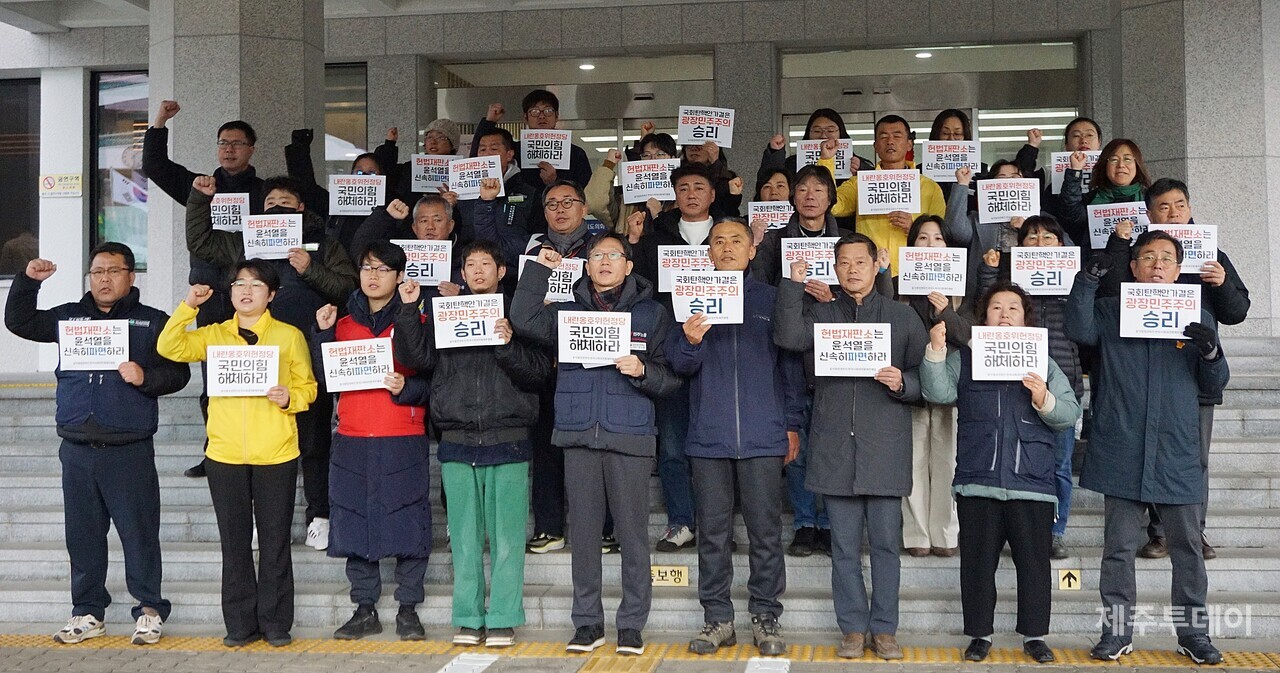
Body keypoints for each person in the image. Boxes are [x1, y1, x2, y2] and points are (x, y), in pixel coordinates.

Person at [4, 243, 191, 646]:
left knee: (139, 532)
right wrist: (28, 282)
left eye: (113, 271)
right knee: (83, 535)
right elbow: (19, 322)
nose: (104, 279)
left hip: (129, 447)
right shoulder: (69, 317)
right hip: (77, 446)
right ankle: (87, 612)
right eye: (97, 272)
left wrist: (146, 377)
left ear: (131, 276)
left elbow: (179, 374)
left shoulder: (152, 322)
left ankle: (149, 609)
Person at [510, 233, 680, 656]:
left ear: (628, 265)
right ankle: (587, 623)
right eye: (597, 255)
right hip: (578, 432)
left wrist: (642, 370)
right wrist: (539, 269)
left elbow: (671, 377)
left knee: (633, 536)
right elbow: (523, 316)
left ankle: (631, 624)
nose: (604, 261)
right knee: (583, 536)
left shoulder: (652, 314)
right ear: (586, 266)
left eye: (613, 255)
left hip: (631, 434)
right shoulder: (566, 310)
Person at [1065, 231, 1229, 665]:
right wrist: (1087, 280)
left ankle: (1194, 635)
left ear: (1179, 271)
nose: (1157, 264)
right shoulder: (1111, 309)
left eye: (1167, 259)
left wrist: (1211, 354)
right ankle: (1116, 634)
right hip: (1123, 445)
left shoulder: (1197, 318)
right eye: (1148, 257)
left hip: (1175, 449)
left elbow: (1215, 386)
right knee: (1118, 548)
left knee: (1188, 550)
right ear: (1134, 267)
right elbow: (1078, 329)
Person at [773, 233, 927, 660]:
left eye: (861, 261)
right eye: (844, 262)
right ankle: (853, 629)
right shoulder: (822, 315)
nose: (853, 269)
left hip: (885, 447)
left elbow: (925, 378)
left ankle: (885, 629)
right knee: (842, 548)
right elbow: (787, 337)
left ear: (877, 265)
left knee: (884, 547)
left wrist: (905, 383)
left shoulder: (902, 316)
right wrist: (792, 284)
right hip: (836, 445)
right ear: (835, 269)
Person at [185, 174, 358, 552]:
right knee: (256, 441)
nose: (277, 206)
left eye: (286, 200)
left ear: (300, 208)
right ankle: (261, 522)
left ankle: (319, 516)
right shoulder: (245, 242)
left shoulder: (322, 244)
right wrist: (199, 201)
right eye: (270, 201)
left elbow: (348, 288)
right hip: (253, 359)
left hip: (305, 352)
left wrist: (309, 267)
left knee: (313, 440)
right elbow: (200, 242)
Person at [393, 239, 553, 648]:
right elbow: (417, 358)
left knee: (508, 538)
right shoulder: (446, 313)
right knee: (463, 537)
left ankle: (501, 616)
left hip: (510, 436)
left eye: (486, 263)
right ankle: (467, 616)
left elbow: (539, 374)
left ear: (502, 271)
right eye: (470, 265)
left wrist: (508, 345)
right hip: (457, 438)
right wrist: (410, 308)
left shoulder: (519, 315)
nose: (478, 270)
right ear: (461, 273)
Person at [157, 259, 318, 648]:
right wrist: (188, 306)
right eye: (239, 284)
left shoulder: (288, 335)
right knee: (234, 541)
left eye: (257, 285)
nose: (247, 291)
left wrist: (289, 397)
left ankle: (276, 622)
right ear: (229, 294)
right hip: (225, 453)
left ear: (272, 295)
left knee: (275, 540)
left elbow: (309, 388)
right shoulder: (213, 335)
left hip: (275, 453)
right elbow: (169, 345)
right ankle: (240, 624)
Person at [921, 281, 1081, 664]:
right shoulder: (967, 357)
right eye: (996, 308)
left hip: (1033, 483)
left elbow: (1069, 413)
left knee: (1034, 566)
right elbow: (939, 393)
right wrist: (937, 351)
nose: (1005, 314)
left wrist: (1044, 398)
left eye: (1013, 308)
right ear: (983, 317)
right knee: (976, 566)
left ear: (1027, 319)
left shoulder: (1044, 362)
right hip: (979, 479)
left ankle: (1034, 636)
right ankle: (980, 635)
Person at [671, 217, 805, 657]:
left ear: (752, 251)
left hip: (764, 435)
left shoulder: (771, 299)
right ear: (707, 252)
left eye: (736, 241)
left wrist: (791, 425)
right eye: (718, 242)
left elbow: (790, 369)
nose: (726, 248)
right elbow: (678, 367)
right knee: (712, 533)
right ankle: (718, 619)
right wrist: (689, 341)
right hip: (708, 435)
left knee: (765, 532)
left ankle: (766, 616)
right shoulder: (690, 298)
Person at [1098, 179, 1250, 561]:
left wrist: (1223, 282)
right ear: (1149, 214)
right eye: (1163, 207)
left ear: (1189, 207)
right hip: (1143, 373)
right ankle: (1159, 531)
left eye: (1179, 205)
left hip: (1194, 372)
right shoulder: (1144, 255)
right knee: (1146, 449)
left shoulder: (1210, 253)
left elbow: (1237, 312)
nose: (1173, 212)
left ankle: (1192, 531)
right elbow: (1111, 297)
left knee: (1194, 456)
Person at [473, 177, 601, 554]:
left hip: (587, 358)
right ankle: (549, 527)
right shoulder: (529, 246)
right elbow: (518, 298)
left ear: (583, 208)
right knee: (545, 446)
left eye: (568, 202)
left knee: (589, 447)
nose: (560, 210)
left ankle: (600, 529)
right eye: (552, 204)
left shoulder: (600, 247)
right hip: (539, 359)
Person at [312, 241, 433, 642]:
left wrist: (407, 388)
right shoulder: (342, 323)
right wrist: (323, 335)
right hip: (352, 436)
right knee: (352, 518)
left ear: (399, 277)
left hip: (402, 433)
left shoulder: (414, 318)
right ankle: (364, 608)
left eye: (383, 269)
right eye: (367, 268)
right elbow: (326, 380)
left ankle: (408, 609)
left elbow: (429, 373)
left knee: (410, 519)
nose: (373, 275)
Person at [143, 99, 263, 479]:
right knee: (215, 374)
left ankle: (261, 447)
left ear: (251, 149)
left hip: (255, 292)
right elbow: (155, 167)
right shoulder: (200, 184)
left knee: (261, 368)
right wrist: (160, 122)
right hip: (211, 293)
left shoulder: (266, 191)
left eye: (237, 143)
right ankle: (215, 452)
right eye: (223, 143)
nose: (229, 149)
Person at [749, 164, 846, 556]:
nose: (809, 195)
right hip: (789, 353)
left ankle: (831, 522)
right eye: (802, 188)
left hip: (834, 356)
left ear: (830, 198)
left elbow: (861, 296)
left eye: (818, 189)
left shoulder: (847, 241)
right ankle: (806, 522)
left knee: (834, 445)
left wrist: (833, 301)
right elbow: (758, 291)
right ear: (793, 197)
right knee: (798, 443)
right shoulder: (774, 242)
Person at [975, 216, 1085, 561]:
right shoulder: (1011, 285)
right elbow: (986, 311)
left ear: (1061, 244)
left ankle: (1055, 531)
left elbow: (1085, 325)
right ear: (1020, 248)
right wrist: (990, 273)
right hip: (1011, 378)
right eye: (1031, 237)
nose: (1039, 242)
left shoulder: (1075, 281)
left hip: (1062, 377)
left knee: (1060, 465)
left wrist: (1076, 284)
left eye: (1048, 237)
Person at [627, 162, 723, 553]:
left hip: (719, 354)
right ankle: (681, 521)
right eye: (683, 188)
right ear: (674, 194)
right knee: (671, 445)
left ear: (712, 194)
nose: (692, 194)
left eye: (699, 186)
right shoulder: (655, 239)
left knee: (716, 444)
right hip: (669, 353)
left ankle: (718, 524)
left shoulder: (727, 236)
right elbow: (641, 291)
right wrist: (634, 244)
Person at [900, 214, 972, 558]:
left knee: (947, 461)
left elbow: (970, 338)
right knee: (912, 460)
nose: (930, 245)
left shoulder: (961, 289)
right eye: (923, 238)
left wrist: (946, 311)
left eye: (938, 239)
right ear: (912, 244)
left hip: (949, 387)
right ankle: (916, 534)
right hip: (909, 385)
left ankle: (945, 534)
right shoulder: (899, 283)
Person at [823, 116, 947, 277]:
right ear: (875, 146)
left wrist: (916, 229)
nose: (890, 141)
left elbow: (943, 236)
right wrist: (827, 161)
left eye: (897, 136)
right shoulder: (860, 183)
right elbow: (832, 205)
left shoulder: (930, 188)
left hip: (916, 273)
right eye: (883, 136)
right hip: (871, 273)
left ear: (909, 144)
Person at [285, 127, 394, 258]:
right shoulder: (335, 204)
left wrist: (390, 146)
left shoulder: (391, 208)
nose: (364, 176)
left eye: (371, 173)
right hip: (339, 269)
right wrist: (299, 149)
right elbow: (308, 189)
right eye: (358, 172)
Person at [351, 194, 465, 298]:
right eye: (423, 221)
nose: (430, 226)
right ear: (414, 227)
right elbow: (361, 251)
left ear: (450, 225)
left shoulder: (465, 259)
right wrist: (386, 216)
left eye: (437, 220)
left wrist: (460, 296)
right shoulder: (399, 252)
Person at [472, 91, 593, 189]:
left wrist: (555, 182)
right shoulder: (514, 151)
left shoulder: (576, 154)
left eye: (548, 111)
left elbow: (583, 191)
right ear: (525, 117)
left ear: (557, 116)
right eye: (534, 111)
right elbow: (478, 160)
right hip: (519, 214)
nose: (541, 116)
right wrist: (489, 121)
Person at [1014, 117, 1103, 239]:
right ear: (1066, 144)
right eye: (1076, 136)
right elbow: (1021, 177)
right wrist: (1031, 146)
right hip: (1056, 241)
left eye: (1089, 135)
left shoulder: (1109, 174)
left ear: (1099, 142)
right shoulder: (1050, 173)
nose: (1083, 140)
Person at [1059, 138, 1151, 252]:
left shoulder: (1150, 198)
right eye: (1114, 159)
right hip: (1098, 265)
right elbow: (1072, 214)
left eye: (1127, 159)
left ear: (1137, 164)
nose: (1121, 165)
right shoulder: (1092, 198)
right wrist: (1075, 171)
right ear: (1105, 165)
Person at [377, 119, 463, 205]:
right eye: (429, 137)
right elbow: (385, 173)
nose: (433, 142)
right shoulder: (411, 168)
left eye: (440, 137)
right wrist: (389, 144)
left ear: (452, 144)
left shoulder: (460, 172)